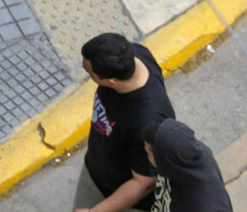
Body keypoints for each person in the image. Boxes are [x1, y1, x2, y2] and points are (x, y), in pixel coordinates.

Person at [74, 33, 176, 212]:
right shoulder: (134, 54)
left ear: (111, 81)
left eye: (89, 72)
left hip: (120, 196)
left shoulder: (147, 122)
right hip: (96, 170)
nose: (86, 73)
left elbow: (144, 182)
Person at [143, 118, 233, 212]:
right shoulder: (181, 156)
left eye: (148, 154)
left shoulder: (210, 206)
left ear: (162, 158)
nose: (147, 157)